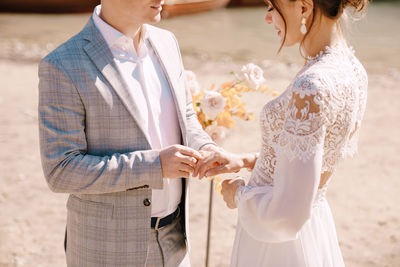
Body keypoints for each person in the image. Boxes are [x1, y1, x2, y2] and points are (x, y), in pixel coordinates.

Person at [38, 0, 218, 266]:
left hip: (177, 241)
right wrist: (153, 166)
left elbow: (186, 117)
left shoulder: (167, 42)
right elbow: (61, 171)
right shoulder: (62, 65)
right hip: (106, 249)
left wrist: (206, 147)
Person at [193, 0, 368, 265]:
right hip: (315, 225)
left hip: (279, 243)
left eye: (271, 7)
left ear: (304, 7)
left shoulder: (312, 85)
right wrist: (246, 160)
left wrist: (238, 195)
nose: (267, 18)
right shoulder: (353, 70)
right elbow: (310, 157)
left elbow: (286, 214)